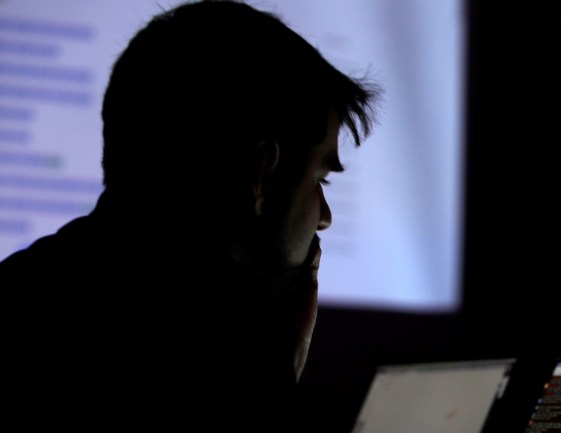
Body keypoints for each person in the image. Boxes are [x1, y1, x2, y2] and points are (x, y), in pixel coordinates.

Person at [0, 0, 379, 429]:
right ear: (262, 173)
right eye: (320, 180)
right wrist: (274, 373)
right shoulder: (221, 352)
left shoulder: (24, 289)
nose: (324, 216)